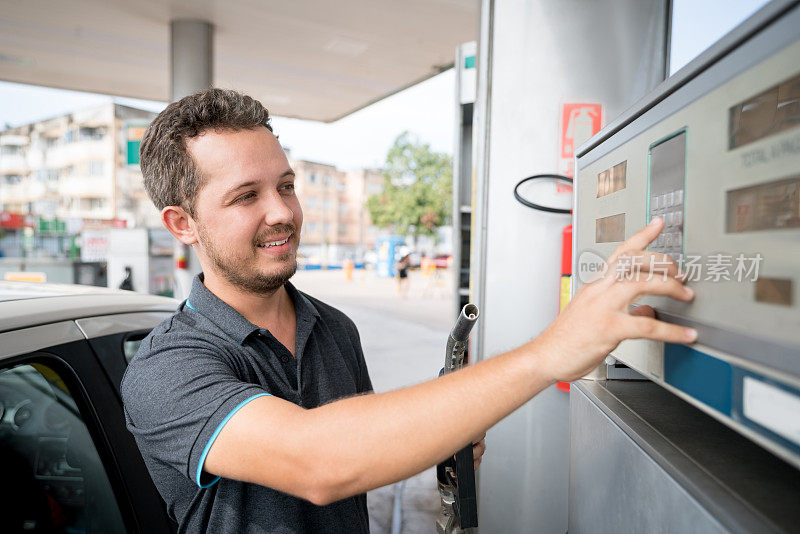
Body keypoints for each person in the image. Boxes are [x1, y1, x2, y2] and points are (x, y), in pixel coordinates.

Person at [120, 89, 696, 533]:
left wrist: (442, 436)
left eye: (288, 185)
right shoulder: (165, 367)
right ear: (182, 223)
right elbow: (320, 461)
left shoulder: (334, 328)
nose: (283, 212)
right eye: (247, 196)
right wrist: (550, 352)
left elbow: (367, 446)